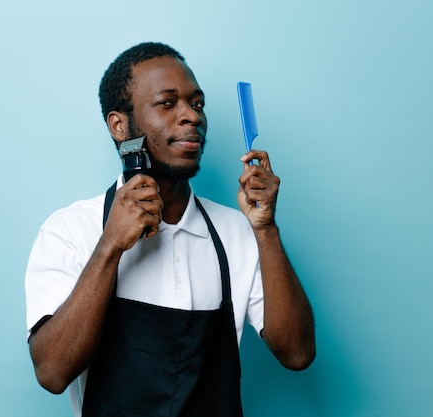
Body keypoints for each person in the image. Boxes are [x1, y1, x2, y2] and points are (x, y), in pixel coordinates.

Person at [25, 42, 316, 417]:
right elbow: (52, 372)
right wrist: (110, 245)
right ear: (119, 125)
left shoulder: (237, 232)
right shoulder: (71, 229)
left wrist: (266, 229)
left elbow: (297, 353)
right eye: (167, 103)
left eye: (197, 103)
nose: (191, 116)